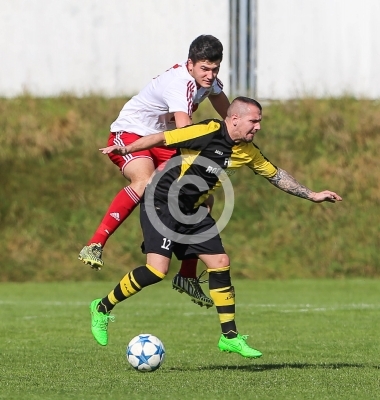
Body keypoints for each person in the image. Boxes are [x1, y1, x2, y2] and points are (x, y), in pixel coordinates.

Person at [89, 96, 342, 358]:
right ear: (234, 119)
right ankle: (102, 308)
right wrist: (127, 149)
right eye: (254, 121)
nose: (258, 127)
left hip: (192, 210)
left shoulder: (248, 151)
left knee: (220, 261)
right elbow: (163, 138)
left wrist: (312, 194)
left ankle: (229, 337)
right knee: (156, 270)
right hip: (161, 201)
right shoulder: (208, 130)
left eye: (260, 122)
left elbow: (276, 175)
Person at [78, 34, 230, 309]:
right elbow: (185, 131)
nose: (210, 75)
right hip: (132, 133)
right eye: (204, 69)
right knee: (145, 179)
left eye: (215, 68)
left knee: (202, 197)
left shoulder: (209, 83)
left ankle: (186, 275)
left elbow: (229, 115)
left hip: (162, 139)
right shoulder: (179, 83)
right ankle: (96, 244)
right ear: (190, 64)